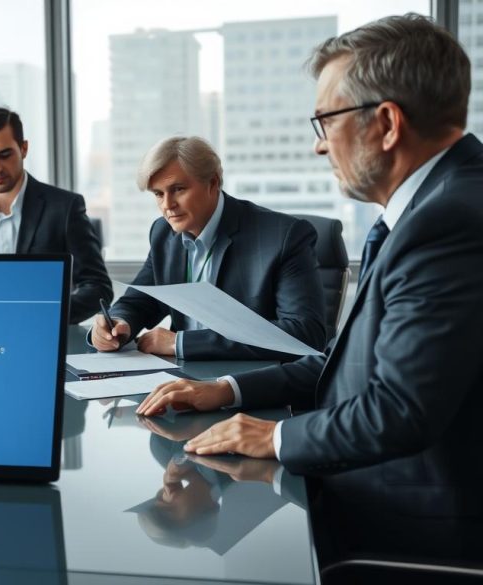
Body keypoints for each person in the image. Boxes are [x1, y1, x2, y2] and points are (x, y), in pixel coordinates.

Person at [137, 14, 483, 564]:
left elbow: (398, 409)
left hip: (416, 529)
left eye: (325, 121)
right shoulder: (434, 206)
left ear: (388, 123)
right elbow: (352, 364)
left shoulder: (449, 221)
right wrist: (227, 390)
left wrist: (275, 439)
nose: (321, 147)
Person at [89, 136, 327, 360]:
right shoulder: (164, 233)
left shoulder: (283, 236)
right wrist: (117, 324)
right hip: (182, 379)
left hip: (250, 383)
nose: (167, 205)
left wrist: (180, 344)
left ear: (212, 183)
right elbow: (140, 300)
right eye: (158, 194)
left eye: (178, 189)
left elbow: (304, 334)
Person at [0, 107, 112, 324]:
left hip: (42, 335)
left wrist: (46, 314)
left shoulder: (65, 208)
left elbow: (98, 287)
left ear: (24, 148)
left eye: (4, 155)